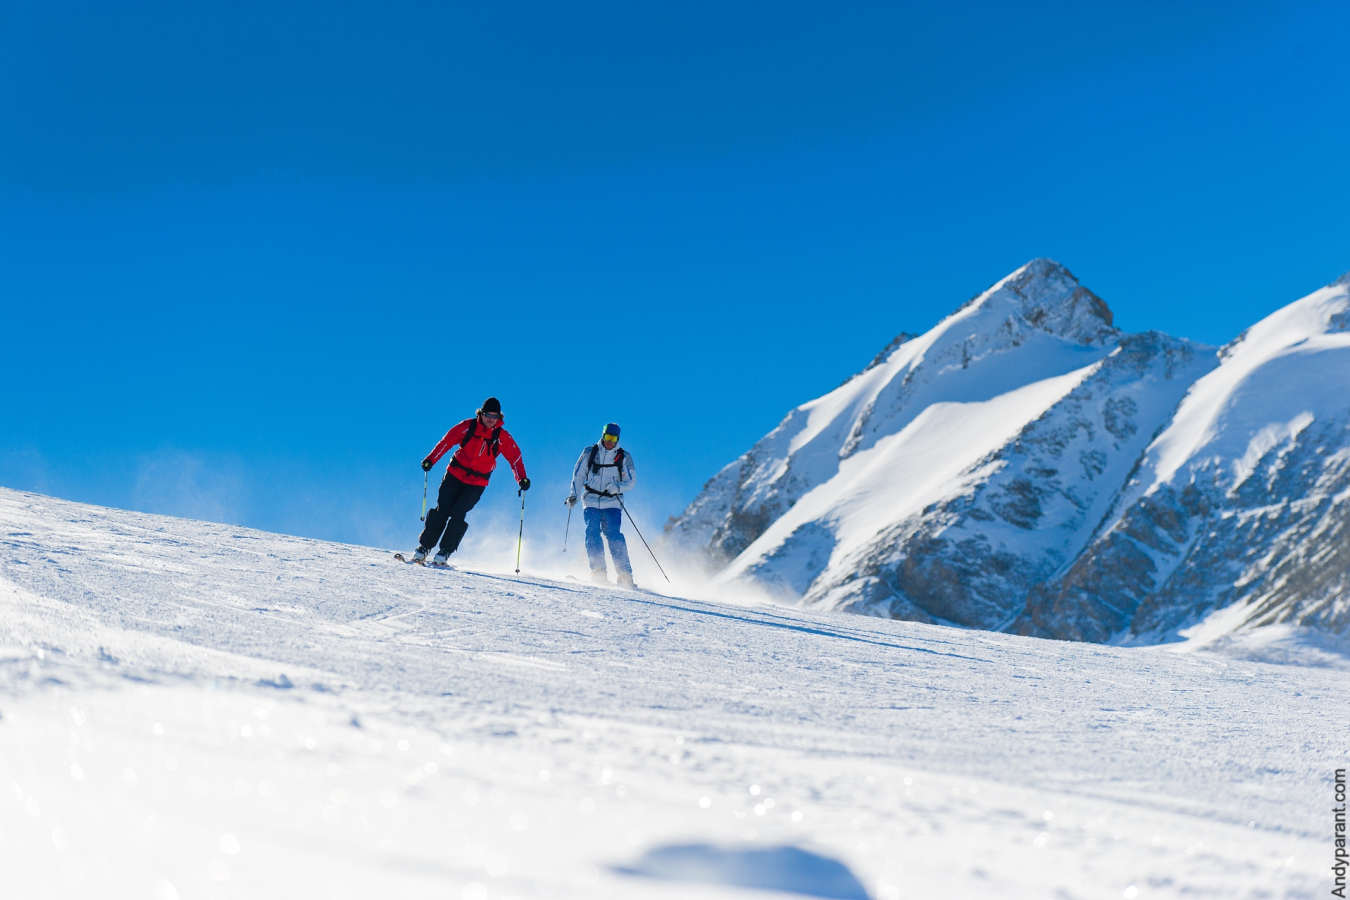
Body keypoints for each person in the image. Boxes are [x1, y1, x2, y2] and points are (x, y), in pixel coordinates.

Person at [409, 397, 529, 566]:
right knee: (443, 508)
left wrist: (522, 479)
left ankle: (445, 552)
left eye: (494, 417)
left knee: (459, 513)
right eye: (488, 415)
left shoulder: (501, 437)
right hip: (455, 474)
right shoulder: (467, 427)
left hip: (477, 482)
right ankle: (424, 547)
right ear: (482, 413)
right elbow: (446, 442)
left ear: (499, 418)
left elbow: (515, 458)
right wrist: (431, 460)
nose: (490, 420)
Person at [567, 422, 637, 587]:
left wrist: (617, 488)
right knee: (592, 532)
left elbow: (632, 481)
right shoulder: (589, 452)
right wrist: (573, 495)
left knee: (613, 534)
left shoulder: (624, 457)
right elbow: (578, 475)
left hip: (612, 502)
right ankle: (598, 571)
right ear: (602, 435)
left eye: (613, 438)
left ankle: (625, 575)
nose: (610, 441)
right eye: (607, 437)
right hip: (590, 499)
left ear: (618, 439)